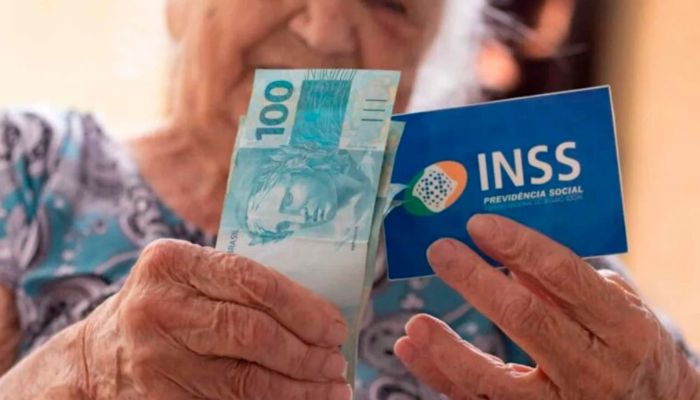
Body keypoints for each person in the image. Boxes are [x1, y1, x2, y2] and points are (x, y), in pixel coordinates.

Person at [0, 1, 697, 399]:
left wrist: (667, 388)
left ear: (436, 42)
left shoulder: (509, 233)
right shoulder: (23, 170)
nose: (326, 29)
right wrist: (80, 373)